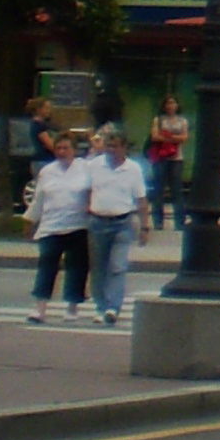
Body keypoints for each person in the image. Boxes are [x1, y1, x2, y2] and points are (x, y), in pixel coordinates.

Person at [84, 126, 149, 327]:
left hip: (122, 222)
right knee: (98, 268)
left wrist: (145, 227)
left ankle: (113, 307)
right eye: (108, 146)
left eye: (115, 147)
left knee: (118, 267)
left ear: (124, 149)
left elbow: (141, 199)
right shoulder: (94, 165)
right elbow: (86, 190)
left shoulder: (133, 169)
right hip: (97, 221)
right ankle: (100, 306)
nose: (111, 150)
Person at [28, 130, 93, 322]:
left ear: (74, 150)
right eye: (58, 148)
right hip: (51, 226)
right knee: (47, 264)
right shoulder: (47, 171)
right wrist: (31, 220)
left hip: (78, 225)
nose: (61, 152)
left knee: (77, 267)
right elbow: (38, 199)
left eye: (66, 148)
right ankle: (40, 308)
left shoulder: (86, 168)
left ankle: (72, 307)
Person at [144, 94, 187, 229]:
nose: (170, 106)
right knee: (158, 190)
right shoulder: (159, 120)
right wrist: (174, 139)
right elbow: (155, 136)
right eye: (168, 103)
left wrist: (167, 137)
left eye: (173, 103)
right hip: (160, 158)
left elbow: (185, 137)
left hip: (177, 158)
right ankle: (158, 221)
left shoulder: (182, 121)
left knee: (177, 190)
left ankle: (179, 222)